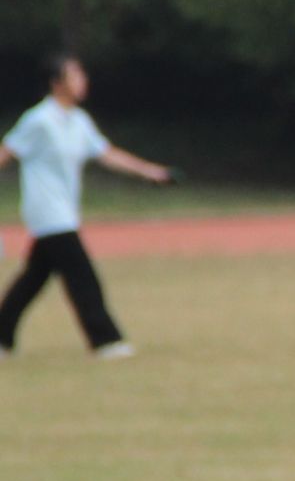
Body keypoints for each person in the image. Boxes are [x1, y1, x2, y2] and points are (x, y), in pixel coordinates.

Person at [0, 53, 174, 360]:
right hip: (47, 211)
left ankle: (1, 337)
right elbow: (6, 152)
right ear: (56, 83)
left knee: (33, 278)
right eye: (74, 76)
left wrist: (151, 171)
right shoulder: (39, 120)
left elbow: (107, 154)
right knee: (82, 274)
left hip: (65, 210)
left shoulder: (79, 121)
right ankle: (106, 340)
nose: (82, 81)